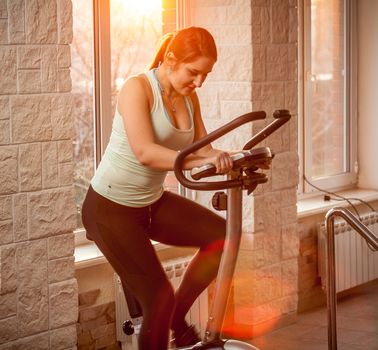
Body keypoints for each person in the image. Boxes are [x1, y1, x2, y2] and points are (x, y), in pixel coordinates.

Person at [81, 27, 234, 350]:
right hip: (110, 209)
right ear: (170, 59)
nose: (199, 82)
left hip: (149, 203)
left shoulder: (189, 97)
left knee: (221, 236)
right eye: (194, 72)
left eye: (205, 74)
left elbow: (201, 148)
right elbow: (145, 152)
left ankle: (175, 319)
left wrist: (229, 158)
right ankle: (169, 315)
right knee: (157, 298)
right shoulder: (137, 89)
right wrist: (192, 161)